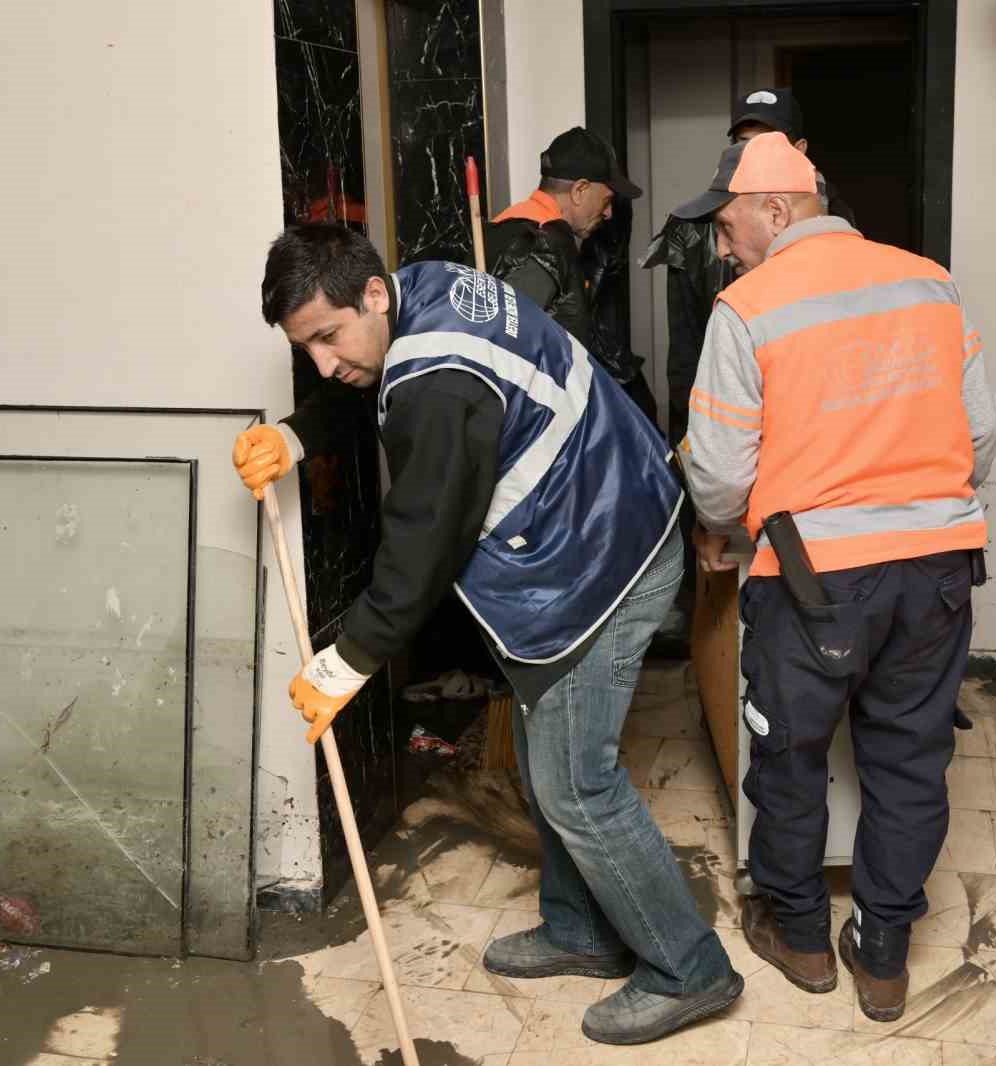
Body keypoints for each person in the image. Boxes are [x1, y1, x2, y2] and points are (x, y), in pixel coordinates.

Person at [231, 223, 741, 1045]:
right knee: (550, 771)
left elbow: (422, 541)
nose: (327, 363)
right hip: (613, 513)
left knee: (579, 786)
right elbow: (376, 381)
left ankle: (692, 970)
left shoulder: (439, 381)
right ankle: (580, 930)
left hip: (601, 565)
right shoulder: (419, 285)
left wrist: (346, 661)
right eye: (307, 350)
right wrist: (301, 434)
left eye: (328, 338)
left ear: (368, 294)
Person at [672, 134, 996, 1019]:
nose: (722, 242)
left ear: (778, 210)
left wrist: (730, 530)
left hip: (814, 578)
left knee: (789, 754)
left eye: (729, 223)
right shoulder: (929, 281)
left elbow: (716, 476)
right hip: (937, 570)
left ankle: (803, 936)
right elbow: (981, 432)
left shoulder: (747, 308)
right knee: (909, 757)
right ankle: (884, 953)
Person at [642, 88, 855, 640]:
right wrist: (694, 446)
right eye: (740, 143)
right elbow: (685, 354)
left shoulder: (841, 230)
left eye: (766, 144)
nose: (723, 250)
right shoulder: (701, 233)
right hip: (736, 445)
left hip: (814, 485)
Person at [486, 126, 657, 422]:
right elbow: (507, 345)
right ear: (579, 191)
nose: (608, 214)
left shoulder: (500, 228)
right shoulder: (546, 245)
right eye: (606, 201)